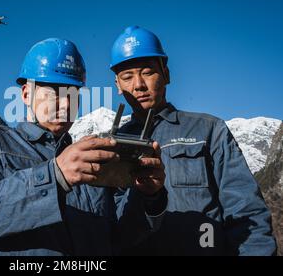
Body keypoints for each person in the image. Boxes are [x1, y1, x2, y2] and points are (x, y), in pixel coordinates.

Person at [0, 38, 167, 255]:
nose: (66, 104)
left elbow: (120, 238)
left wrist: (148, 198)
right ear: (27, 94)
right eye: (55, 92)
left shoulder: (87, 160)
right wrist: (54, 176)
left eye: (73, 94)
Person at [109, 26, 277, 255]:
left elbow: (246, 213)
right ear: (118, 85)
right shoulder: (111, 146)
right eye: (127, 77)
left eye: (148, 72)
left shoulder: (209, 130)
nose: (138, 84)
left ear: (166, 74)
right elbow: (109, 226)